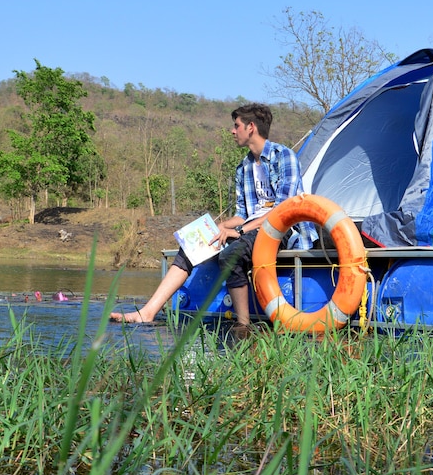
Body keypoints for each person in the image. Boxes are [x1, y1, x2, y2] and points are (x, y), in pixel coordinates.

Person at [111, 103, 315, 326]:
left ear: (251, 127)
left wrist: (237, 230)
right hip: (248, 230)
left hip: (280, 230)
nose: (232, 131)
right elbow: (242, 214)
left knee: (232, 254)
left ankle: (243, 325)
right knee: (192, 243)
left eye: (236, 126)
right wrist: (219, 226)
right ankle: (147, 312)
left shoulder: (284, 157)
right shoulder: (243, 167)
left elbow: (282, 212)